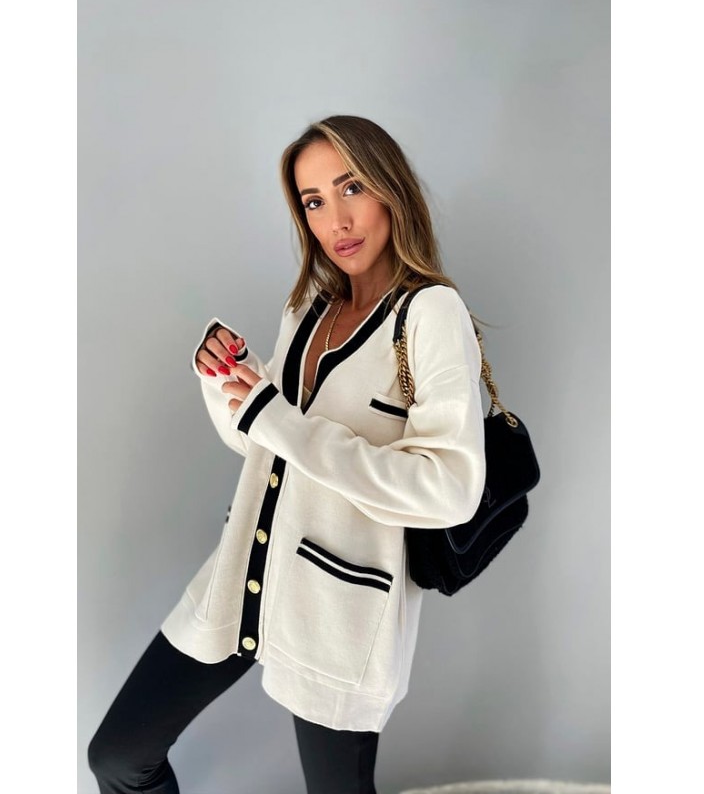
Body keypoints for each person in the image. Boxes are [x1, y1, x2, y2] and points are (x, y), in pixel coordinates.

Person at [88, 114, 487, 794]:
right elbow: (260, 443)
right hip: (242, 577)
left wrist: (276, 417)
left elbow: (450, 487)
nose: (338, 219)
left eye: (352, 187)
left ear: (390, 187)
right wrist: (229, 380)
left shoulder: (430, 313)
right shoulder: (309, 306)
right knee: (121, 756)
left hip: (339, 608)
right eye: (314, 201)